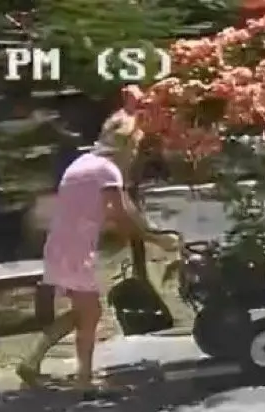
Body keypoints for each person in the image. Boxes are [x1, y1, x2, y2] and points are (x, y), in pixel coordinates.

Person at [18, 110, 181, 394]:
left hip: (62, 245)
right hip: (74, 249)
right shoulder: (107, 170)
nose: (134, 155)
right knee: (90, 313)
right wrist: (157, 239)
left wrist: (148, 232)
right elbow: (122, 214)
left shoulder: (86, 162)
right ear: (125, 144)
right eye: (134, 148)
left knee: (85, 312)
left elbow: (116, 210)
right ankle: (81, 379)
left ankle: (34, 361)